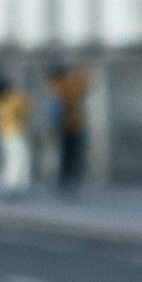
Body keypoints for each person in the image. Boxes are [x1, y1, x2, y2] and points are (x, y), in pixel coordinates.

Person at [48, 65, 91, 193]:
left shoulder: (55, 86)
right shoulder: (65, 86)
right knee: (70, 155)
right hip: (71, 126)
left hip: (64, 126)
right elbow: (86, 85)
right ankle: (67, 180)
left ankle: (64, 180)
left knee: (65, 155)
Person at [0, 76, 32, 196]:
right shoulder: (10, 100)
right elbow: (26, 104)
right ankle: (13, 184)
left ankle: (6, 183)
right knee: (18, 159)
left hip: (3, 134)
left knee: (7, 159)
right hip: (14, 133)